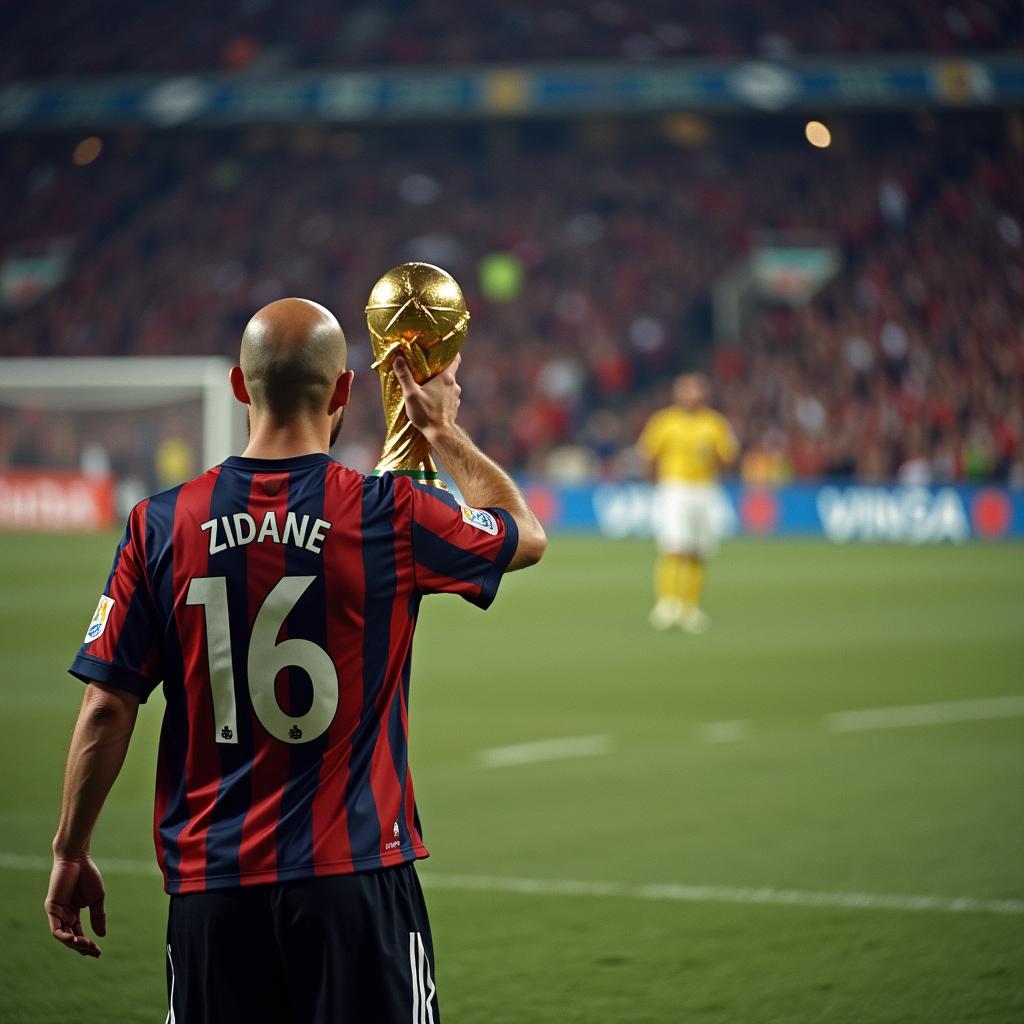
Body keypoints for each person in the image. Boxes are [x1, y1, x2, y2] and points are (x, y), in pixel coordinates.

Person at [44, 297, 546, 1023]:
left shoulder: (160, 523)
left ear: (239, 388)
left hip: (212, 890)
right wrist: (438, 427)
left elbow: (106, 705)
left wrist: (69, 850)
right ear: (344, 391)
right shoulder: (387, 512)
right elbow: (522, 535)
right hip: (353, 881)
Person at [637, 372, 737, 633]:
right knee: (673, 546)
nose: (690, 395)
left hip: (705, 490)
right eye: (685, 390)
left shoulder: (715, 424)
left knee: (698, 550)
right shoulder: (664, 421)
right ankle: (667, 604)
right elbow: (648, 455)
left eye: (695, 390)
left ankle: (690, 607)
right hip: (675, 488)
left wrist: (715, 455)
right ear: (677, 393)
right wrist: (654, 485)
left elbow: (729, 459)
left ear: (704, 394)